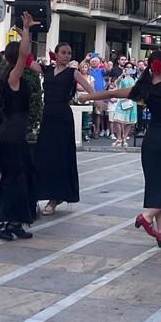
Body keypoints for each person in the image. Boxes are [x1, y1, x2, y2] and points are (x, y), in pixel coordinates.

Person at [82, 25, 161, 247]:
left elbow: (112, 92)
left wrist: (89, 97)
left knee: (157, 184)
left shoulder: (143, 88)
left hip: (151, 140)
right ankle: (148, 215)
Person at [0, 11, 41, 241]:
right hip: (12, 134)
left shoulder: (6, 78)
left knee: (24, 177)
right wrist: (26, 30)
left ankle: (16, 222)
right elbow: (24, 54)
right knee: (13, 179)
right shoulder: (13, 77)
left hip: (15, 132)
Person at [35, 41, 96, 216]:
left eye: (69, 53)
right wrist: (25, 31)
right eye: (63, 52)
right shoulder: (46, 70)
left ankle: (55, 197)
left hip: (63, 116)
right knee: (43, 155)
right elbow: (26, 60)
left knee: (60, 156)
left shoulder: (73, 72)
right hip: (47, 115)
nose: (67, 56)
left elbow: (90, 88)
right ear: (56, 54)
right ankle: (40, 193)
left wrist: (97, 100)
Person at [111, 65, 138, 146]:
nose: (128, 69)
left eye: (130, 68)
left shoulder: (135, 79)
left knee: (129, 122)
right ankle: (119, 138)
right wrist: (122, 75)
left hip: (131, 101)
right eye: (127, 68)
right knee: (116, 119)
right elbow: (116, 83)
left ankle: (124, 138)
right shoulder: (122, 78)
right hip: (121, 100)